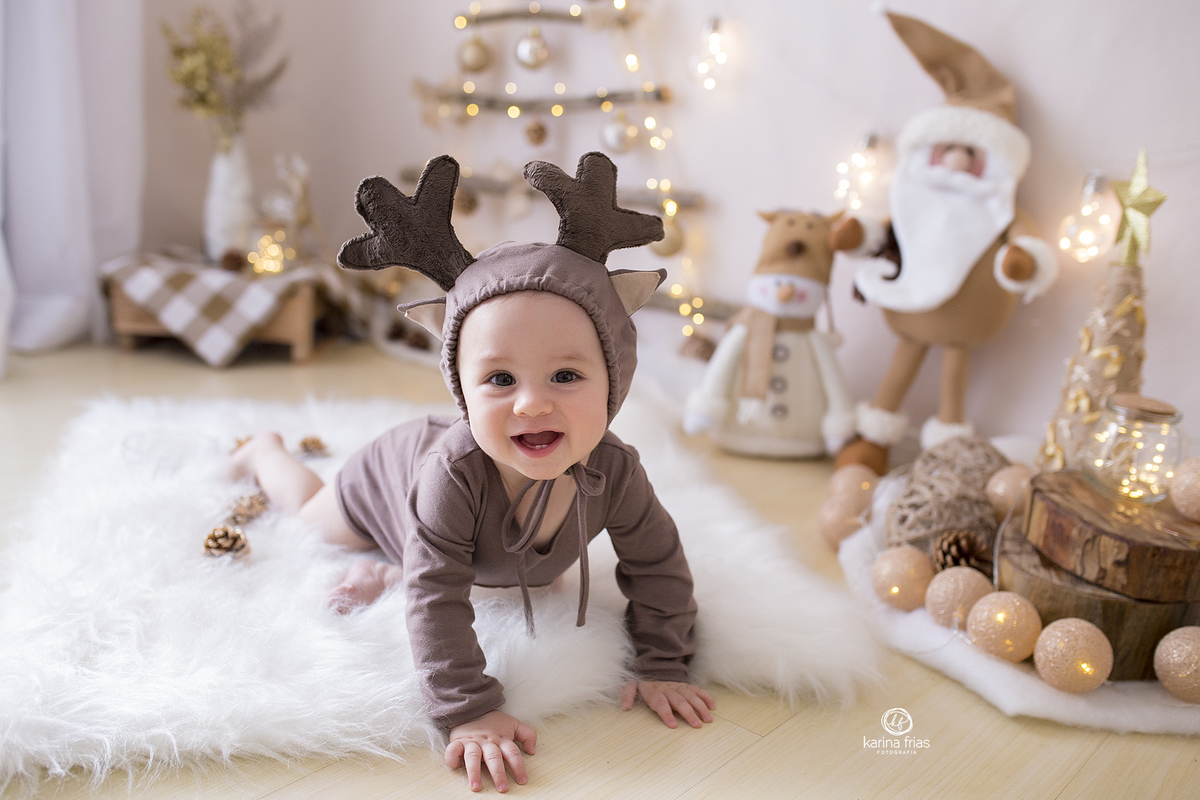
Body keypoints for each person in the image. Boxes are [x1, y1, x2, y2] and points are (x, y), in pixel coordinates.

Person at [231, 152, 715, 793]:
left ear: (613, 383)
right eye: (499, 379)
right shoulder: (450, 475)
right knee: (317, 517)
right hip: (387, 477)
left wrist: (664, 660)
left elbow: (657, 562)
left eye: (565, 376)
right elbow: (436, 598)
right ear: (462, 390)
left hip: (475, 534)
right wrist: (468, 709)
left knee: (497, 575)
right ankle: (264, 452)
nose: (531, 403)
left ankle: (393, 564)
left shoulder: (616, 471)